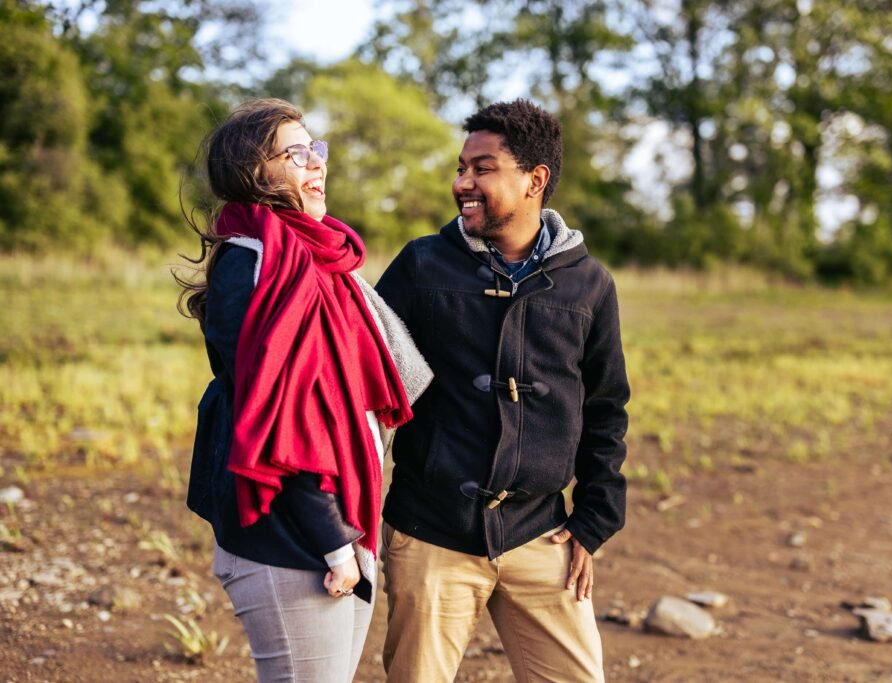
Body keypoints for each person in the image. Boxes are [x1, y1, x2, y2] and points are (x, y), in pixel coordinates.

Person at [375, 99, 630, 682]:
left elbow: (605, 408)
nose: (462, 183)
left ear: (534, 179)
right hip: (431, 533)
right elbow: (366, 382)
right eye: (462, 167)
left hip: (543, 537)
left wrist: (593, 520)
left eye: (482, 168)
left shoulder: (589, 285)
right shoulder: (422, 265)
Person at [177, 98, 431, 682]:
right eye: (296, 153)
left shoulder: (318, 261)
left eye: (316, 149)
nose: (317, 165)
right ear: (254, 173)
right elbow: (278, 421)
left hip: (343, 511)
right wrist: (334, 542)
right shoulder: (256, 265)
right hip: (294, 534)